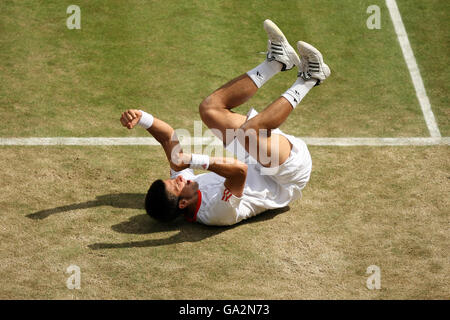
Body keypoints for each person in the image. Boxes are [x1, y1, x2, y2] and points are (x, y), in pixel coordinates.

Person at [120, 19, 330, 226]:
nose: (179, 177)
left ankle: (277, 61)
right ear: (183, 203)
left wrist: (141, 117)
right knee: (249, 132)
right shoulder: (215, 212)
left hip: (257, 158)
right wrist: (194, 160)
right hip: (286, 176)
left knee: (209, 110)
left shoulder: (187, 187)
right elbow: (239, 172)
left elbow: (167, 137)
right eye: (176, 184)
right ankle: (309, 78)